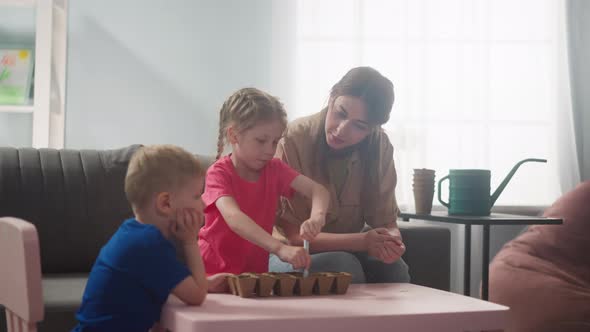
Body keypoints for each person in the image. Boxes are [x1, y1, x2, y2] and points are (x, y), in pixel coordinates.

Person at [270, 67, 411, 284]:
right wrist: (362, 242)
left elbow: (386, 222)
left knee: (394, 268)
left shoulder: (380, 147)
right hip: (287, 253)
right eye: (340, 113)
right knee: (343, 265)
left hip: (350, 247)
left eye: (359, 125)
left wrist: (391, 242)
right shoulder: (293, 140)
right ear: (332, 97)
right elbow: (294, 237)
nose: (342, 130)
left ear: (372, 128)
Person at [73, 145, 227, 332]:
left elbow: (175, 288)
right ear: (165, 203)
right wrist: (190, 241)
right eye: (196, 196)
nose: (202, 203)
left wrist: (206, 283)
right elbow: (196, 296)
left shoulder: (133, 234)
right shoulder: (149, 245)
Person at [198, 87, 330, 275]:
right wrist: (279, 248)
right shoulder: (218, 173)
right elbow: (234, 218)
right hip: (212, 273)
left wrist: (317, 217)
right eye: (261, 141)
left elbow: (319, 191)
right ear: (234, 135)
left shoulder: (275, 169)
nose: (270, 150)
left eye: (275, 142)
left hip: (254, 275)